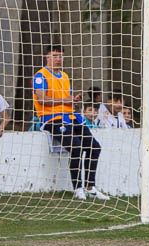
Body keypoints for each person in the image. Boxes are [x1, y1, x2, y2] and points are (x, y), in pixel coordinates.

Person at [33, 45, 109, 201]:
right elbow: (42, 99)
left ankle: (90, 186)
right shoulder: (40, 76)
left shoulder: (65, 76)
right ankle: (78, 188)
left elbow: (68, 99)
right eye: (55, 56)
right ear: (47, 57)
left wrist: (73, 100)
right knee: (75, 147)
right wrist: (65, 100)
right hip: (52, 119)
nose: (58, 59)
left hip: (70, 117)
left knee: (94, 147)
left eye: (60, 56)